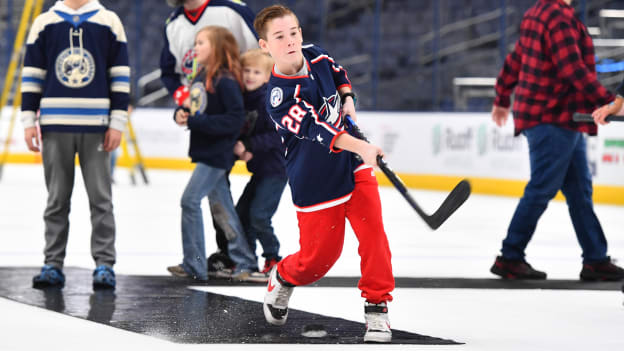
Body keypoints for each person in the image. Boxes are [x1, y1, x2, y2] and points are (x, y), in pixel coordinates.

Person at [253, 5, 394, 343]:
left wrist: (347, 98)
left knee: (373, 233)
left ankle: (377, 307)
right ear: (264, 46)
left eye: (294, 32)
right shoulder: (279, 97)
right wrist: (362, 147)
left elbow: (338, 71)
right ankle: (284, 276)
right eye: (280, 37)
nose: (291, 41)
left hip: (351, 163)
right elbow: (319, 131)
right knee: (318, 261)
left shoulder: (315, 55)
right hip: (315, 178)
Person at [490, 0, 624, 281]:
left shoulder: (537, 12)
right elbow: (572, 69)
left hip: (560, 118)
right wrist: (609, 101)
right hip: (551, 116)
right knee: (542, 188)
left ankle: (595, 259)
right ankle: (510, 256)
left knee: (579, 191)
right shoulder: (558, 16)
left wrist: (503, 97)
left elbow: (516, 60)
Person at [21, 0, 130, 290]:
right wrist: (28, 119)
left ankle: (105, 264)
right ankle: (52, 264)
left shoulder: (109, 21)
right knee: (57, 199)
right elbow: (32, 73)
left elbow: (120, 75)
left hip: (96, 126)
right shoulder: (45, 22)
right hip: (55, 125)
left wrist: (117, 122)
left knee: (101, 200)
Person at [160, 0, 259, 275]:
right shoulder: (203, 78)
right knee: (221, 205)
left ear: (216, 48)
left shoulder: (225, 80)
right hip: (208, 149)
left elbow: (233, 118)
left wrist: (193, 119)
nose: (195, 47)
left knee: (189, 201)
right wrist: (182, 113)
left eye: (201, 42)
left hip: (217, 152)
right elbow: (198, 109)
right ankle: (244, 260)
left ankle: (195, 263)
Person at [234, 49, 288, 275]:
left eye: (256, 72)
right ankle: (247, 259)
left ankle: (273, 257)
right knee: (241, 212)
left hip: (275, 170)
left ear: (267, 77)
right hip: (260, 170)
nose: (250, 75)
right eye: (246, 70)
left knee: (259, 215)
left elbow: (276, 135)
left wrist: (248, 146)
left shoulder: (269, 101)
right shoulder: (246, 99)